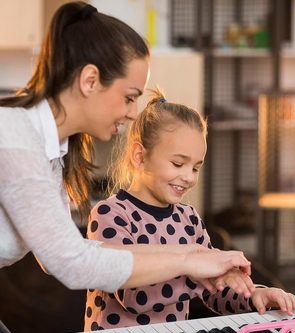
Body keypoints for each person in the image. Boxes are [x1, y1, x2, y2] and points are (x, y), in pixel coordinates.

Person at [0, 0, 254, 309]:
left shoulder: (52, 150)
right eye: (129, 97)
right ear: (90, 80)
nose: (134, 113)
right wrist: (187, 262)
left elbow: (60, 253)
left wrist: (196, 255)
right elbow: (72, 264)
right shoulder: (15, 138)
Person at [84, 89, 295, 331]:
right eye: (178, 163)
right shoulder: (110, 214)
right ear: (139, 156)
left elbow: (214, 294)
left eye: (196, 168)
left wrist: (254, 295)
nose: (188, 177)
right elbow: (133, 297)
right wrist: (201, 275)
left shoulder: (188, 219)